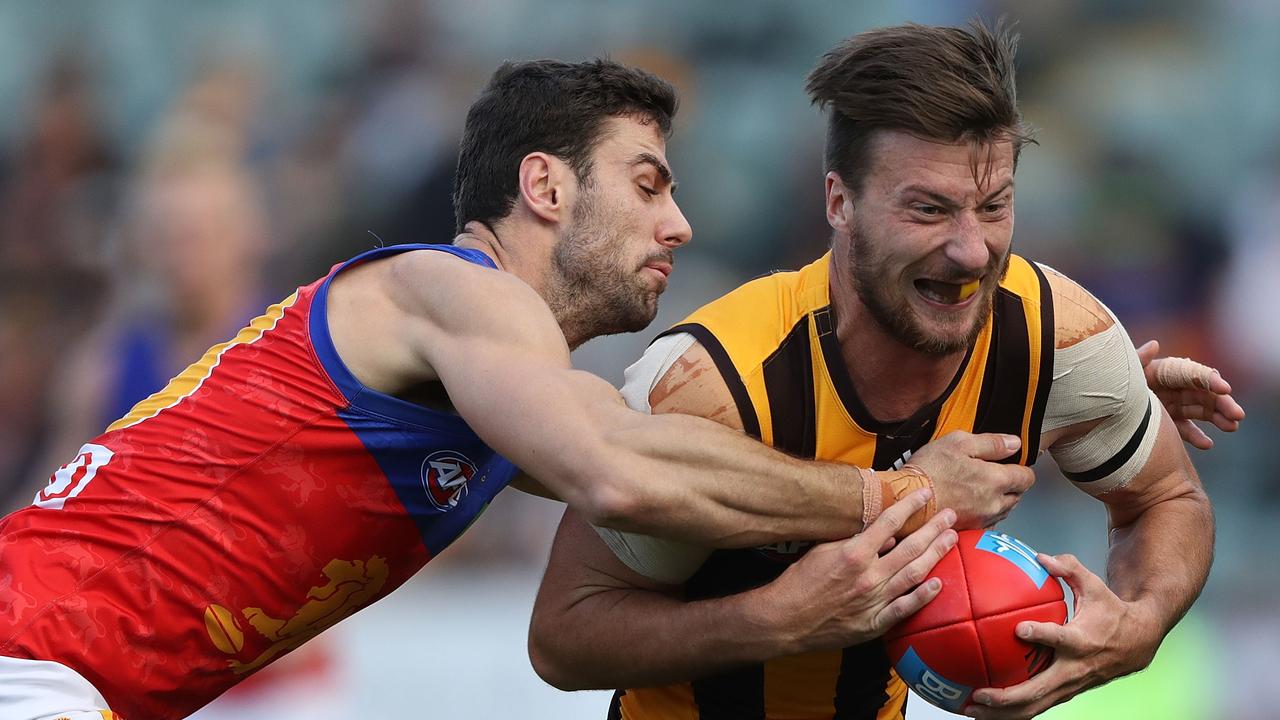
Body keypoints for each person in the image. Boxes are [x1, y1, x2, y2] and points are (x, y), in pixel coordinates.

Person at [0, 57, 1049, 720]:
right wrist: (900, 499)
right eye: (646, 183)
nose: (677, 225)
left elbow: (673, 462)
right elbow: (618, 477)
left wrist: (1041, 384)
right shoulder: (454, 288)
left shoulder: (507, 385)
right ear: (543, 187)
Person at [527, 22, 1241, 720]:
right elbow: (564, 637)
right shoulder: (715, 383)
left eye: (994, 207)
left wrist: (1139, 624)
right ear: (839, 202)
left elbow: (1167, 500)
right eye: (928, 210)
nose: (971, 250)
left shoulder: (1058, 336)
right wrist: (775, 619)